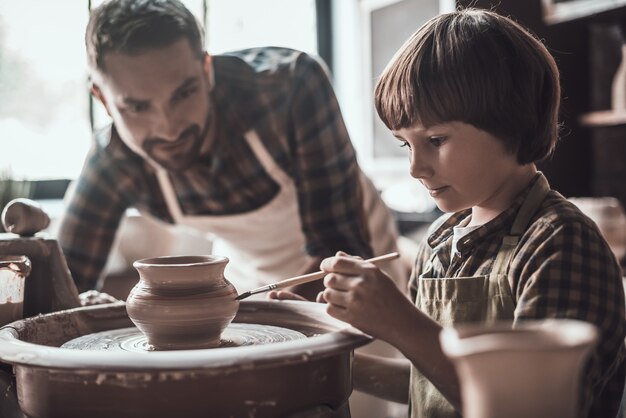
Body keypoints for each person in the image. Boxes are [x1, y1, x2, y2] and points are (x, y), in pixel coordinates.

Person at [273, 8, 626, 418]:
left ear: (510, 119)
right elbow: (427, 382)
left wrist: (400, 324)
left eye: (436, 140)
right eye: (406, 145)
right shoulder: (440, 240)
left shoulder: (559, 243)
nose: (415, 168)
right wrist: (314, 353)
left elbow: (524, 406)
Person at [57, 0, 404, 300]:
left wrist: (264, 328)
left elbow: (340, 252)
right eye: (136, 107)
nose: (169, 128)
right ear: (102, 99)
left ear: (206, 70)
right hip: (248, 277)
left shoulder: (290, 89)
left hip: (352, 263)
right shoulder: (112, 161)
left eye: (184, 94)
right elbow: (62, 284)